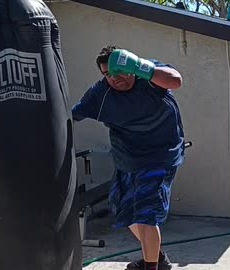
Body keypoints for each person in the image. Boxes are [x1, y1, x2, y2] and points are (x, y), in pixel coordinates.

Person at [71, 45, 185, 270]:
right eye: (107, 74)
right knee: (124, 210)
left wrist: (142, 67)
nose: (114, 78)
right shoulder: (100, 94)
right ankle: (156, 257)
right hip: (127, 159)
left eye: (118, 71)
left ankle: (151, 266)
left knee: (146, 214)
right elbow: (72, 115)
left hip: (160, 157)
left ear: (130, 65)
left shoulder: (148, 76)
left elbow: (176, 81)